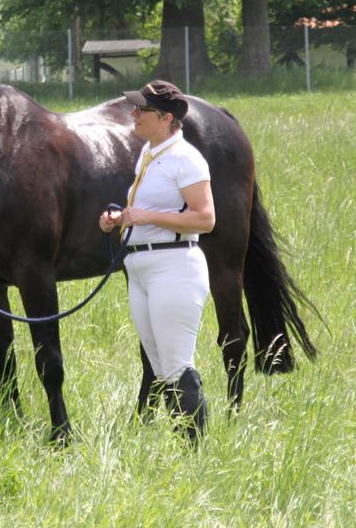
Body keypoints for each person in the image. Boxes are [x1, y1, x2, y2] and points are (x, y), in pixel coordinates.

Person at [99, 79, 214, 441]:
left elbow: (205, 219)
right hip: (143, 268)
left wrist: (145, 217)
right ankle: (181, 448)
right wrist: (118, 220)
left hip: (174, 267)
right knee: (162, 367)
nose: (133, 114)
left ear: (165, 118)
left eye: (142, 110)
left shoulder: (185, 158)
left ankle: (196, 455)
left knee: (178, 365)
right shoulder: (149, 155)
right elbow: (151, 210)